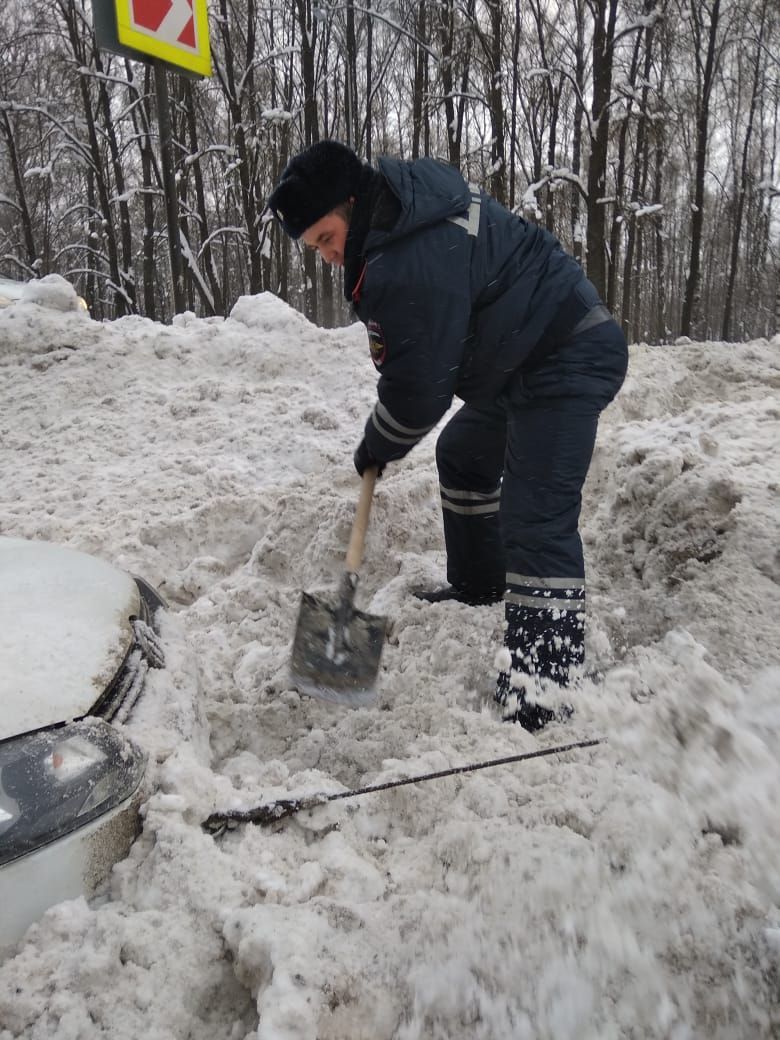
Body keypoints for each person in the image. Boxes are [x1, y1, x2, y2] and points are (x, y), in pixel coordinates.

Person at [268, 140, 628, 731]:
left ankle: (543, 685)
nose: (330, 256)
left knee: (536, 516)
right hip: (521, 363)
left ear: (352, 203)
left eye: (327, 238)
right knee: (462, 452)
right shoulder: (402, 212)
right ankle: (481, 583)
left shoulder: (406, 258)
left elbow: (419, 391)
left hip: (566, 354)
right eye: (316, 249)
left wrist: (378, 443)